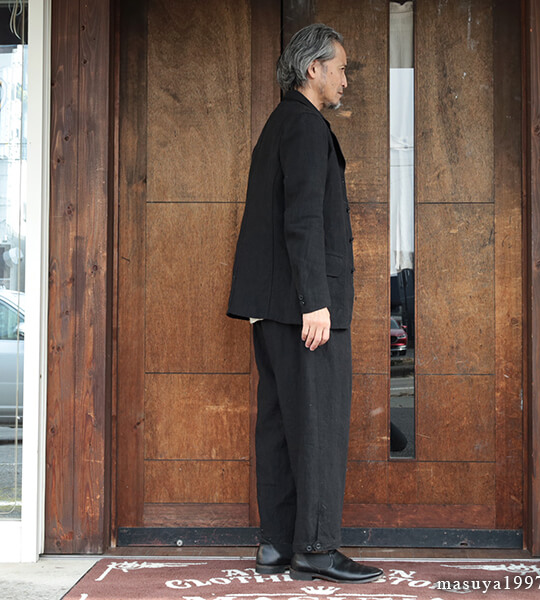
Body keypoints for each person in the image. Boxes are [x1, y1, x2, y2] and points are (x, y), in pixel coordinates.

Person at [227, 23, 382, 584]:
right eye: (340, 68)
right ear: (313, 69)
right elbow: (304, 220)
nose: (345, 80)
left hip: (274, 308)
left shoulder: (280, 124)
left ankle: (276, 544)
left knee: (279, 424)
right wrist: (316, 302)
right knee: (317, 426)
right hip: (304, 310)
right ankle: (315, 548)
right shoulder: (307, 126)